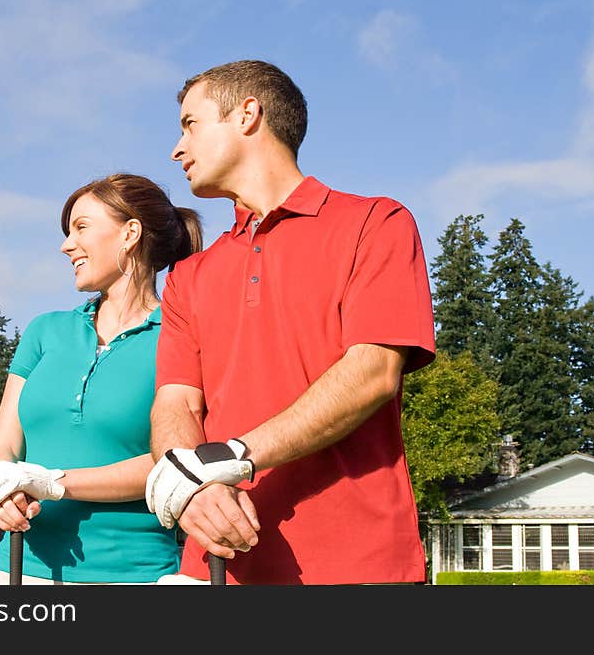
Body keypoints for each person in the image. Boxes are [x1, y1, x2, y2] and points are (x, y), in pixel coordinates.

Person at [144, 60, 436, 585]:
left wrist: (234, 456)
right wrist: (191, 484)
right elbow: (176, 402)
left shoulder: (376, 223)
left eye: (191, 124)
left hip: (358, 565)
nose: (176, 148)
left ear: (248, 114)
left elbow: (372, 371)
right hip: (217, 566)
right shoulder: (188, 276)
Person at [0, 173, 202, 584]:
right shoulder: (44, 332)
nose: (66, 244)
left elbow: (173, 459)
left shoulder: (178, 337)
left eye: (81, 228)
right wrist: (1, 489)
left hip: (134, 574)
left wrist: (54, 483)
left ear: (130, 233)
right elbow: (4, 442)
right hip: (23, 568)